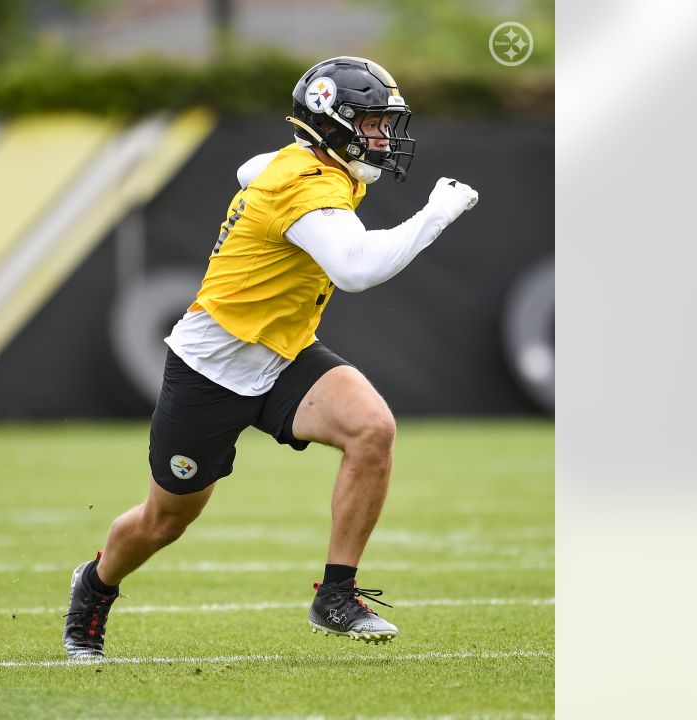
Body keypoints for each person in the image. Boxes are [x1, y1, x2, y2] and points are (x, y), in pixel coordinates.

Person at [63, 56, 479, 659]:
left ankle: (336, 594)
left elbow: (251, 166)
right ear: (331, 122)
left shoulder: (314, 166)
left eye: (386, 125)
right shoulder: (302, 181)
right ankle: (94, 587)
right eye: (372, 124)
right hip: (212, 368)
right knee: (164, 521)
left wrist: (263, 173)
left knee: (372, 429)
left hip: (282, 354)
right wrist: (436, 214)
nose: (384, 138)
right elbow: (356, 268)